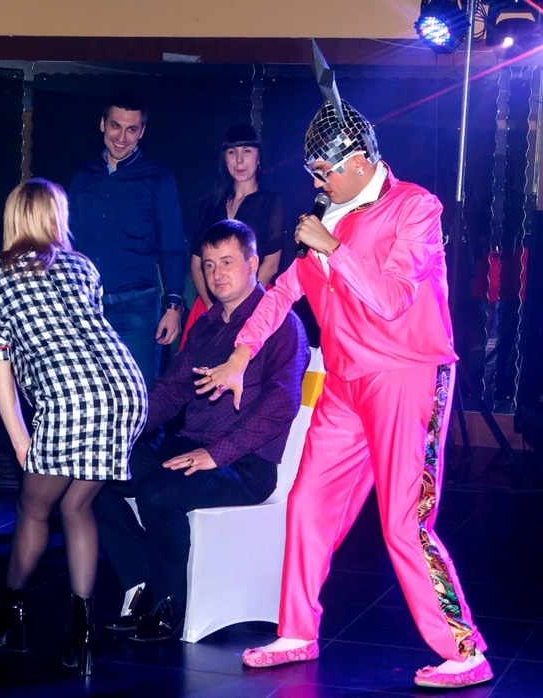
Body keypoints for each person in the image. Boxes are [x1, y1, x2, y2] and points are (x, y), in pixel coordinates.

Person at [194, 79, 494, 688]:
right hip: (344, 383)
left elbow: (392, 300)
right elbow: (282, 294)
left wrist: (333, 247)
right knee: (307, 504)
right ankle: (297, 631)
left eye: (324, 171)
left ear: (359, 161)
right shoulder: (327, 217)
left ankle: (464, 650)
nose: (318, 182)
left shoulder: (415, 208)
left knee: (403, 521)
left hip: (407, 376)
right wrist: (242, 354)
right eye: (313, 172)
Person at [94, 219, 309, 642]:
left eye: (227, 262)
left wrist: (218, 453)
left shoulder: (281, 323)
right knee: (96, 476)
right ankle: (142, 585)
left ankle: (168, 605)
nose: (216, 274)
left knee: (158, 493)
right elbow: (172, 391)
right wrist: (120, 430)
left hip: (246, 465)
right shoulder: (207, 325)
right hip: (192, 445)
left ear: (252, 264)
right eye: (209, 265)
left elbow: (281, 404)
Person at [0, 179, 147, 675]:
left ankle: (6, 611)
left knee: (32, 508)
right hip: (127, 390)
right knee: (76, 504)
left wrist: (20, 439)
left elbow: (1, 372)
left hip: (72, 397)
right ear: (53, 217)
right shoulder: (82, 266)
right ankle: (81, 632)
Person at [69, 91, 188, 385]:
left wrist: (173, 308)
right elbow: (68, 242)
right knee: (89, 395)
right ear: (102, 124)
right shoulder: (83, 177)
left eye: (131, 129)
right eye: (115, 126)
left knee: (137, 397)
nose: (122, 137)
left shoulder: (159, 178)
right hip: (87, 307)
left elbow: (174, 247)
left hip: (137, 310)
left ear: (142, 131)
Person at [180, 124, 285, 347]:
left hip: (255, 303)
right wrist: (213, 307)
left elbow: (271, 264)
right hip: (210, 301)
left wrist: (242, 307)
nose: (239, 160)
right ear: (224, 159)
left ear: (258, 157)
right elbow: (196, 264)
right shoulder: (210, 205)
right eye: (231, 152)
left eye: (246, 151)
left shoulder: (271, 202)